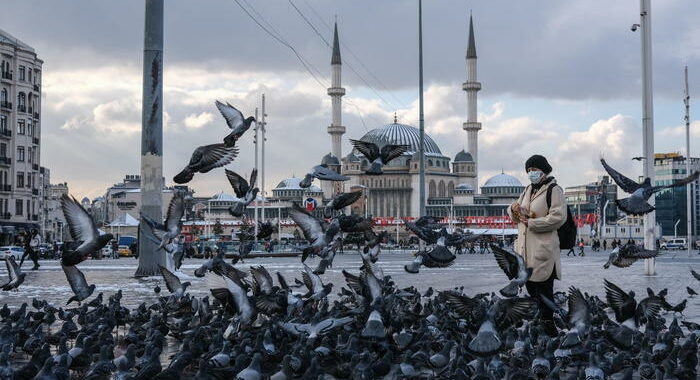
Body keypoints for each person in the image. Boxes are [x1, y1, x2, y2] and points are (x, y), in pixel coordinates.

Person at [508, 154, 565, 337]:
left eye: (534, 169)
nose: (531, 173)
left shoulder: (553, 190)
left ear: (544, 170)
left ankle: (549, 329)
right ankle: (538, 328)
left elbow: (558, 217)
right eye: (529, 170)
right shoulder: (527, 190)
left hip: (543, 249)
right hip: (525, 250)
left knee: (544, 291)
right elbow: (520, 211)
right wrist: (515, 209)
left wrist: (531, 223)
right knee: (531, 290)